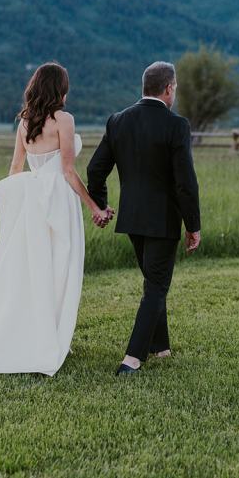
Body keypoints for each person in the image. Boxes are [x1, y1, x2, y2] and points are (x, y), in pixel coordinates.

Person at [0, 62, 108, 376]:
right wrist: (94, 206)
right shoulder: (64, 120)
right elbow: (68, 171)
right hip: (58, 201)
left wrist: (16, 213)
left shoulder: (25, 122)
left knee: (33, 269)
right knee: (60, 267)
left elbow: (16, 169)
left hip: (32, 202)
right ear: (60, 88)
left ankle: (41, 335)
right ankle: (49, 339)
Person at [87, 61, 201, 376]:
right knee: (156, 287)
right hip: (163, 221)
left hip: (132, 219)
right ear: (168, 89)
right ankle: (132, 360)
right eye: (175, 88)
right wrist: (193, 225)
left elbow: (96, 169)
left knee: (154, 283)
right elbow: (185, 183)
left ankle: (159, 347)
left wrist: (102, 204)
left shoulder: (117, 121)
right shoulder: (176, 125)